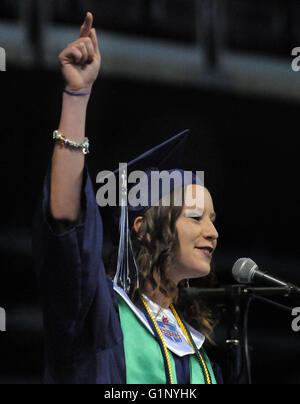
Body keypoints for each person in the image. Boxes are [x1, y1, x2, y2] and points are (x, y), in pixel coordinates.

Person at [32, 12, 223, 384]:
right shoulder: (96, 314)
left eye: (214, 219)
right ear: (144, 228)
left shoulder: (200, 351)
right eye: (197, 217)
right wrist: (76, 97)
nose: (213, 232)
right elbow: (66, 225)